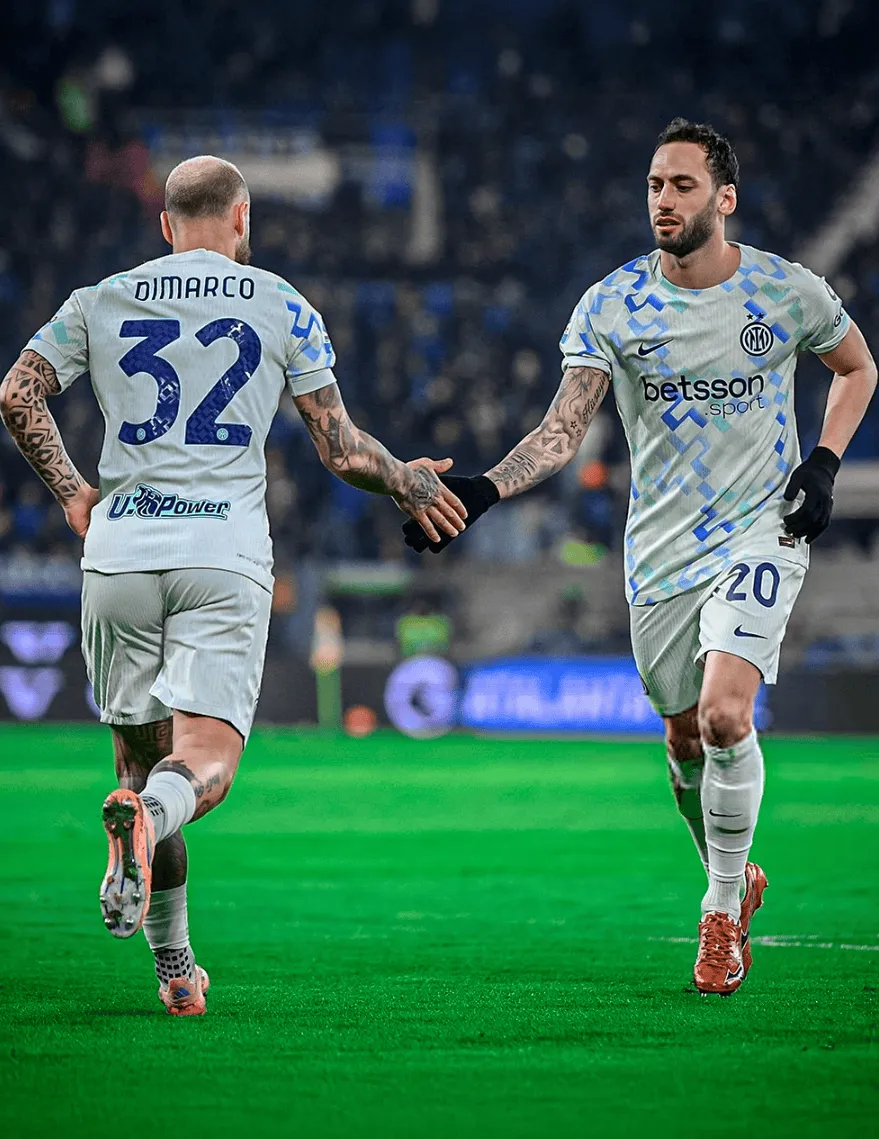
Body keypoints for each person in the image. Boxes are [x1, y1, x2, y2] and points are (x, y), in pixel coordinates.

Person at [402, 119, 877, 996]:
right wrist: (482, 489)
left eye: (682, 184)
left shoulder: (783, 290)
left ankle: (719, 910)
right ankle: (733, 874)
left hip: (760, 530)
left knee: (726, 715)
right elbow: (559, 433)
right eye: (655, 184)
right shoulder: (612, 304)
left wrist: (822, 462)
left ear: (724, 198)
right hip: (660, 548)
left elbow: (856, 368)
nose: (663, 198)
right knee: (683, 737)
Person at [0, 155, 466, 1015]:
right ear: (243, 218)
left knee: (142, 770)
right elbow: (340, 448)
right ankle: (148, 828)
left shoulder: (101, 298)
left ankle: (175, 968)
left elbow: (17, 393)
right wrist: (407, 480)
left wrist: (71, 492)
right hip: (220, 555)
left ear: (165, 225)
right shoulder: (280, 302)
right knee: (201, 765)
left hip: (119, 556)